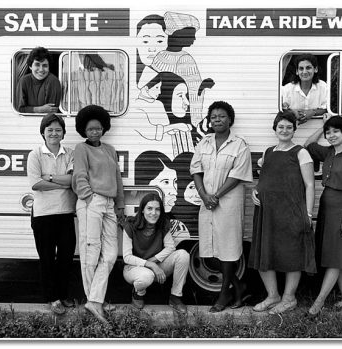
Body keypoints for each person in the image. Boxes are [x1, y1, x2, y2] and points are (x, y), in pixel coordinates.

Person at [248, 110, 316, 315]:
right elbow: (265, 178)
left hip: (291, 212)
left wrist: (309, 214)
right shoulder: (268, 152)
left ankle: (289, 298)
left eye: (289, 127)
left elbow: (310, 185)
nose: (284, 130)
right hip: (267, 213)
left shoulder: (300, 152)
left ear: (294, 130)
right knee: (264, 254)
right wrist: (255, 192)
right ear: (275, 129)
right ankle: (272, 296)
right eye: (281, 127)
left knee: (291, 256)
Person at [190, 101, 253, 312]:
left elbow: (237, 175)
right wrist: (204, 195)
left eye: (222, 116)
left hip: (228, 203)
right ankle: (239, 286)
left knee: (227, 249)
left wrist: (215, 196)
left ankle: (224, 294)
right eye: (213, 116)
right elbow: (196, 170)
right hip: (207, 202)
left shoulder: (239, 145)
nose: (217, 119)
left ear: (230, 120)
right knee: (212, 249)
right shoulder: (204, 143)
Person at [304, 115, 342, 317]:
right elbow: (308, 145)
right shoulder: (329, 152)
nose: (331, 135)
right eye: (328, 132)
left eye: (335, 131)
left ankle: (318, 303)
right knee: (338, 256)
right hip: (327, 207)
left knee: (335, 259)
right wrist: (323, 127)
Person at [72, 105, 125, 324]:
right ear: (84, 130)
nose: (95, 132)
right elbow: (79, 175)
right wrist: (88, 197)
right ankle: (95, 300)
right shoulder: (81, 148)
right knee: (90, 252)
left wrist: (119, 206)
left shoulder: (110, 149)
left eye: (99, 128)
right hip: (91, 202)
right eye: (91, 129)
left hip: (110, 204)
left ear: (104, 128)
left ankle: (95, 299)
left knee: (111, 253)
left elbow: (118, 179)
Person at [27, 113, 77, 315]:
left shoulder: (71, 153)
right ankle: (52, 298)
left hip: (65, 214)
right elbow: (35, 184)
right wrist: (61, 181)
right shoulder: (35, 155)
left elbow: (72, 181)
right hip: (42, 216)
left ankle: (63, 295)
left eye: (58, 130)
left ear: (63, 133)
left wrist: (48, 177)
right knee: (46, 258)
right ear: (43, 133)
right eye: (50, 130)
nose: (54, 133)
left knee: (65, 258)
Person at [122, 193, 190, 314]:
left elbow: (170, 248)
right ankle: (138, 294)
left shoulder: (163, 224)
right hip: (133, 268)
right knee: (146, 276)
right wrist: (149, 264)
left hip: (156, 265)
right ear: (142, 210)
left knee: (183, 255)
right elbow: (127, 257)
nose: (153, 213)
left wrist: (153, 260)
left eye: (157, 209)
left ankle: (175, 297)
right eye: (149, 208)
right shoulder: (130, 226)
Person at [281, 54, 327, 124]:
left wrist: (313, 112)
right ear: (297, 71)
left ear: (315, 69)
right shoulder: (288, 88)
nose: (304, 72)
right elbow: (282, 108)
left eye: (308, 68)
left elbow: (327, 108)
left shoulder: (323, 87)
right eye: (301, 68)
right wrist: (293, 112)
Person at [16, 47, 61, 113]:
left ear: (49, 67)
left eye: (45, 65)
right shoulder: (24, 81)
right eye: (37, 65)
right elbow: (19, 109)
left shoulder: (53, 81)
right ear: (30, 66)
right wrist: (39, 109)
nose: (41, 69)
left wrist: (30, 109)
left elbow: (51, 111)